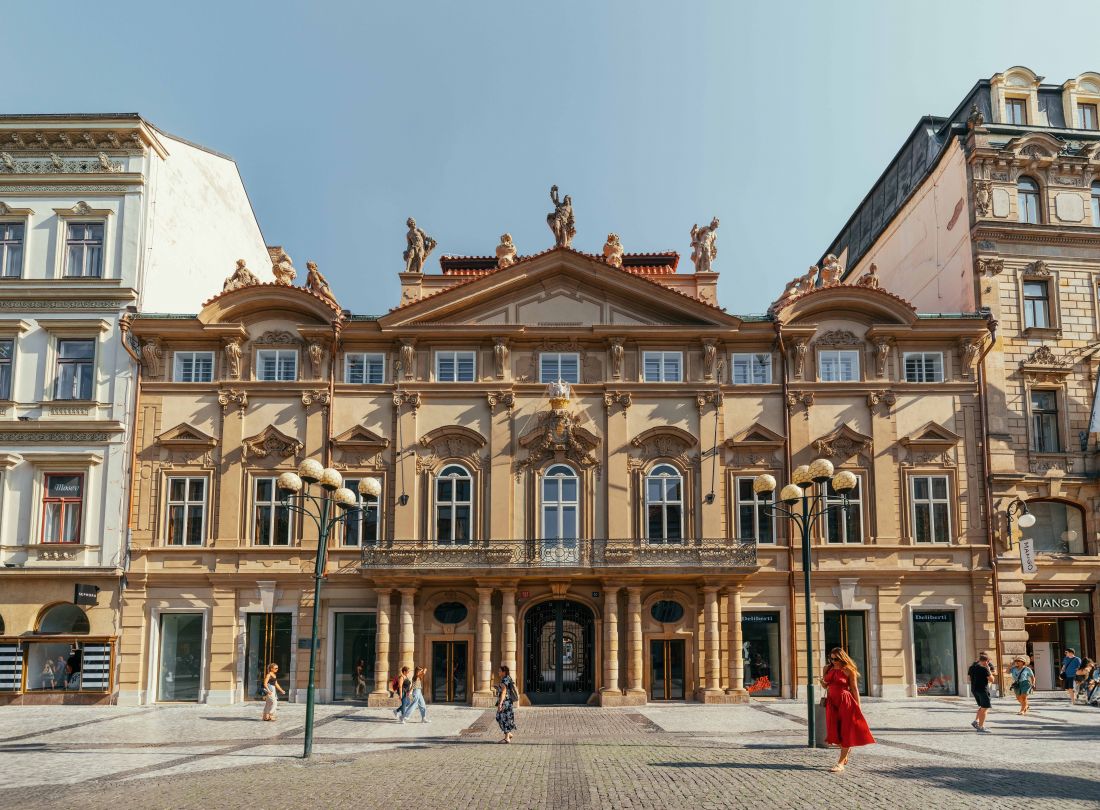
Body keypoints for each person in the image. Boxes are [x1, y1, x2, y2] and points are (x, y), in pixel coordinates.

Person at [820, 647, 875, 772]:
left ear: (842, 658)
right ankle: (846, 749)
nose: (833, 661)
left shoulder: (849, 670)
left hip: (846, 702)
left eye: (836, 659)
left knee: (846, 731)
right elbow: (826, 685)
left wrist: (858, 706)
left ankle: (840, 763)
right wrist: (822, 683)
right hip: (832, 702)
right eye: (831, 658)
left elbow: (854, 689)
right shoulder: (827, 668)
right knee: (833, 731)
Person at [968, 651, 994, 732]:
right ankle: (981, 727)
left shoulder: (971, 667)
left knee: (982, 707)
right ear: (986, 661)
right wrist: (988, 669)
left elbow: (969, 678)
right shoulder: (984, 668)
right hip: (982, 689)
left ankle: (976, 721)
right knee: (985, 708)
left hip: (974, 689)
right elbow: (992, 679)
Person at [495, 664, 518, 743]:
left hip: (505, 702)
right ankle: (509, 734)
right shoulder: (508, 678)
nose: (498, 672)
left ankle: (507, 738)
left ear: (503, 672)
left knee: (501, 717)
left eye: (499, 671)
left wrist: (500, 703)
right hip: (509, 702)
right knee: (506, 718)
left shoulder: (504, 680)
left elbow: (504, 692)